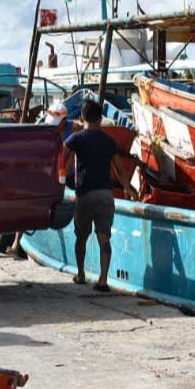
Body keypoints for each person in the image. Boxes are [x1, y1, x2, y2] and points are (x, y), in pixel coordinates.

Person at [64, 99, 118, 292]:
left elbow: (62, 155)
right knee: (104, 238)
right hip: (105, 194)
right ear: (100, 118)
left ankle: (81, 274)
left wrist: (61, 176)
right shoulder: (109, 141)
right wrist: (129, 187)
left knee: (81, 237)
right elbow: (120, 168)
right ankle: (103, 280)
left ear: (82, 117)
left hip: (85, 194)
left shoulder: (77, 138)